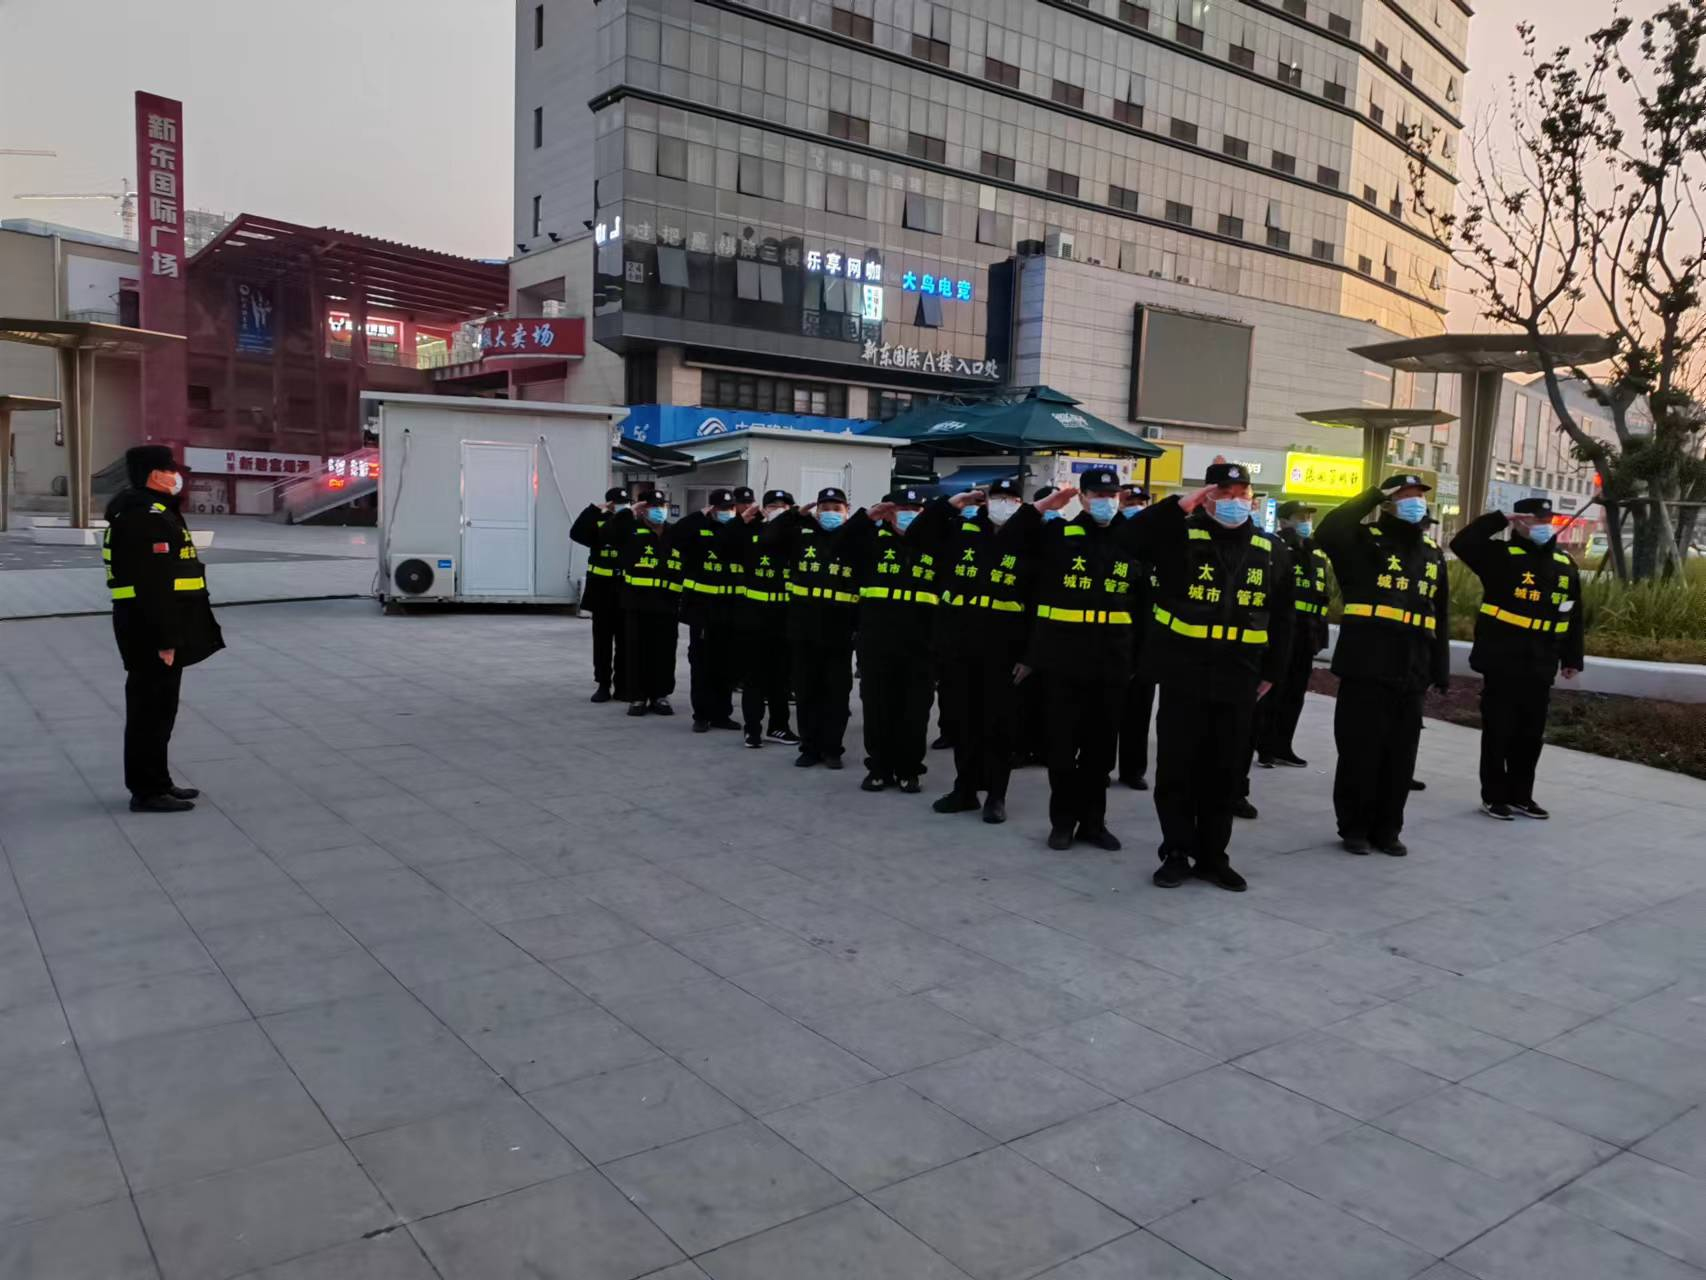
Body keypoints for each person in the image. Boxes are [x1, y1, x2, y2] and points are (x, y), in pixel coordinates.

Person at [1126, 462, 1292, 892]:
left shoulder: (1271, 549)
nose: (1235, 501)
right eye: (1224, 493)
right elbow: (1128, 541)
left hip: (1240, 676)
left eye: (1242, 493)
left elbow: (1283, 615)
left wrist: (1274, 670)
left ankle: (1213, 856)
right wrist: (1176, 507)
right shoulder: (1180, 537)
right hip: (1185, 672)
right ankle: (1176, 852)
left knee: (1225, 771)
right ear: (1207, 497)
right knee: (1177, 768)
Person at [1315, 473, 1450, 856]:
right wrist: (1372, 494)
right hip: (1367, 663)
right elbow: (1329, 530)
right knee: (1361, 751)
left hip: (1412, 668)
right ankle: (1354, 828)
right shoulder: (1364, 541)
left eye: (1419, 495)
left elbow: (1439, 614)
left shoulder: (1431, 552)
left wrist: (1439, 668)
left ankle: (1388, 829)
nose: (1415, 501)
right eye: (1405, 495)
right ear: (1389, 502)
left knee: (1400, 757)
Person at [1016, 470, 1138, 851]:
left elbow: (1145, 603)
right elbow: (1011, 541)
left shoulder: (1132, 539)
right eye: (1097, 494)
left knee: (1100, 751)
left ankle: (1094, 823)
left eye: (1111, 494)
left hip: (1112, 662)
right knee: (1062, 748)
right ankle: (1063, 822)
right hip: (1064, 661)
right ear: (1082, 497)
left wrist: (1138, 659)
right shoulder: (1059, 535)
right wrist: (1039, 508)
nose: (1106, 500)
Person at [104, 445, 224, 812]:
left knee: (161, 710)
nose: (176, 476)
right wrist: (165, 639)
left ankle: (159, 781)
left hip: (156, 625)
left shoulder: (155, 511)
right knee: (150, 713)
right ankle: (147, 791)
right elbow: (152, 585)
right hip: (149, 629)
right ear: (153, 474)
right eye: (170, 469)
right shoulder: (144, 517)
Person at [1450, 497, 1584, 819]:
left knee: (1530, 734)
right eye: (1536, 520)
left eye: (1547, 520)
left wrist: (1571, 658)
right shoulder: (1500, 556)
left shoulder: (1565, 564)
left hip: (1541, 661)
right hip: (1503, 658)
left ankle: (1521, 795)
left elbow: (1573, 613)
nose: (1544, 526)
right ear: (1520, 522)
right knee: (1499, 730)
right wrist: (1499, 518)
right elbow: (1462, 543)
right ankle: (1494, 796)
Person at [925, 478, 1037, 823]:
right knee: (963, 722)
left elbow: (1040, 601)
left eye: (1011, 498)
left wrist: (1030, 656)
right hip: (960, 645)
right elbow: (918, 535)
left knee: (999, 726)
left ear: (1021, 505)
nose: (1003, 503)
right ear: (985, 502)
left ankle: (996, 795)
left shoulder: (1031, 539)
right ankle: (965, 789)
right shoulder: (963, 532)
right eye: (997, 497)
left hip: (1005, 651)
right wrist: (951, 503)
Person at [761, 486, 862, 769]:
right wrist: (794, 514)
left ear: (847, 511)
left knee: (836, 694)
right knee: (806, 692)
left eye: (836, 508)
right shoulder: (801, 535)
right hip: (803, 628)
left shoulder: (854, 538)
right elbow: (767, 539)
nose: (830, 513)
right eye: (824, 508)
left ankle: (832, 749)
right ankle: (810, 747)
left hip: (839, 630)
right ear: (816, 510)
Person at [850, 487, 939, 793]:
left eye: (915, 510)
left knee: (915, 711)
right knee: (877, 708)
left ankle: (909, 770)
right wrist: (867, 517)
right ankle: (878, 768)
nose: (908, 515)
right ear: (888, 513)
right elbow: (839, 544)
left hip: (921, 645)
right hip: (877, 641)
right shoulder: (871, 542)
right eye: (902, 509)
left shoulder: (935, 546)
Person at [1255, 499, 1330, 768]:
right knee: (1274, 690)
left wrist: (1320, 633)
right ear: (1284, 520)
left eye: (1308, 517)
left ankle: (1282, 745)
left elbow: (1322, 593)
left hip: (1307, 633)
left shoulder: (1316, 552)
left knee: (1295, 693)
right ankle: (1264, 745)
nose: (1306, 522)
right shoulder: (1277, 546)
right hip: (1283, 631)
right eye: (1300, 518)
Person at [731, 488, 798, 749]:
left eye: (784, 506)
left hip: (785, 616)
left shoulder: (796, 534)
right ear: (763, 509)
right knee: (754, 677)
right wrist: (741, 521)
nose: (778, 510)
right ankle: (752, 729)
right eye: (773, 505)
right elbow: (724, 545)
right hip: (754, 616)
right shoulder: (751, 532)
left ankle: (779, 726)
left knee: (781, 677)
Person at [677, 488, 742, 733]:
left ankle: (722, 714)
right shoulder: (698, 528)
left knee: (726, 664)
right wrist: (698, 515)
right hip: (703, 611)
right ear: (712, 509)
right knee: (702, 664)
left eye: (731, 508)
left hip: (730, 610)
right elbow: (675, 536)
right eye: (722, 509)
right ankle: (701, 715)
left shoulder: (738, 530)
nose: (727, 512)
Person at [615, 488, 683, 716]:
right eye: (654, 507)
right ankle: (637, 697)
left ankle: (660, 695)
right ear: (643, 509)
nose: (659, 511)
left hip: (667, 604)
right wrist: (629, 512)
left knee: (664, 652)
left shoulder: (674, 532)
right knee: (637, 651)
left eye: (662, 506)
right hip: (638, 603)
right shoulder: (630, 530)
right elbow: (606, 534)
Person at [569, 487, 632, 703]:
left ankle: (622, 685)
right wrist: (593, 510)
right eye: (618, 503)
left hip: (625, 590)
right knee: (603, 642)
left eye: (625, 502)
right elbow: (576, 533)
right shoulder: (597, 520)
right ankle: (603, 684)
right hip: (602, 591)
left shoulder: (630, 521)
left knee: (625, 641)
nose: (622, 506)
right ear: (609, 503)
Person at [1115, 484, 1157, 792]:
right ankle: (1100, 765)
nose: (1136, 507)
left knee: (1138, 712)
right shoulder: (1111, 538)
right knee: (1104, 713)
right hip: (1111, 640)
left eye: (1142, 502)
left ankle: (1133, 770)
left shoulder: (1155, 543)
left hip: (1145, 643)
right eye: (1130, 502)